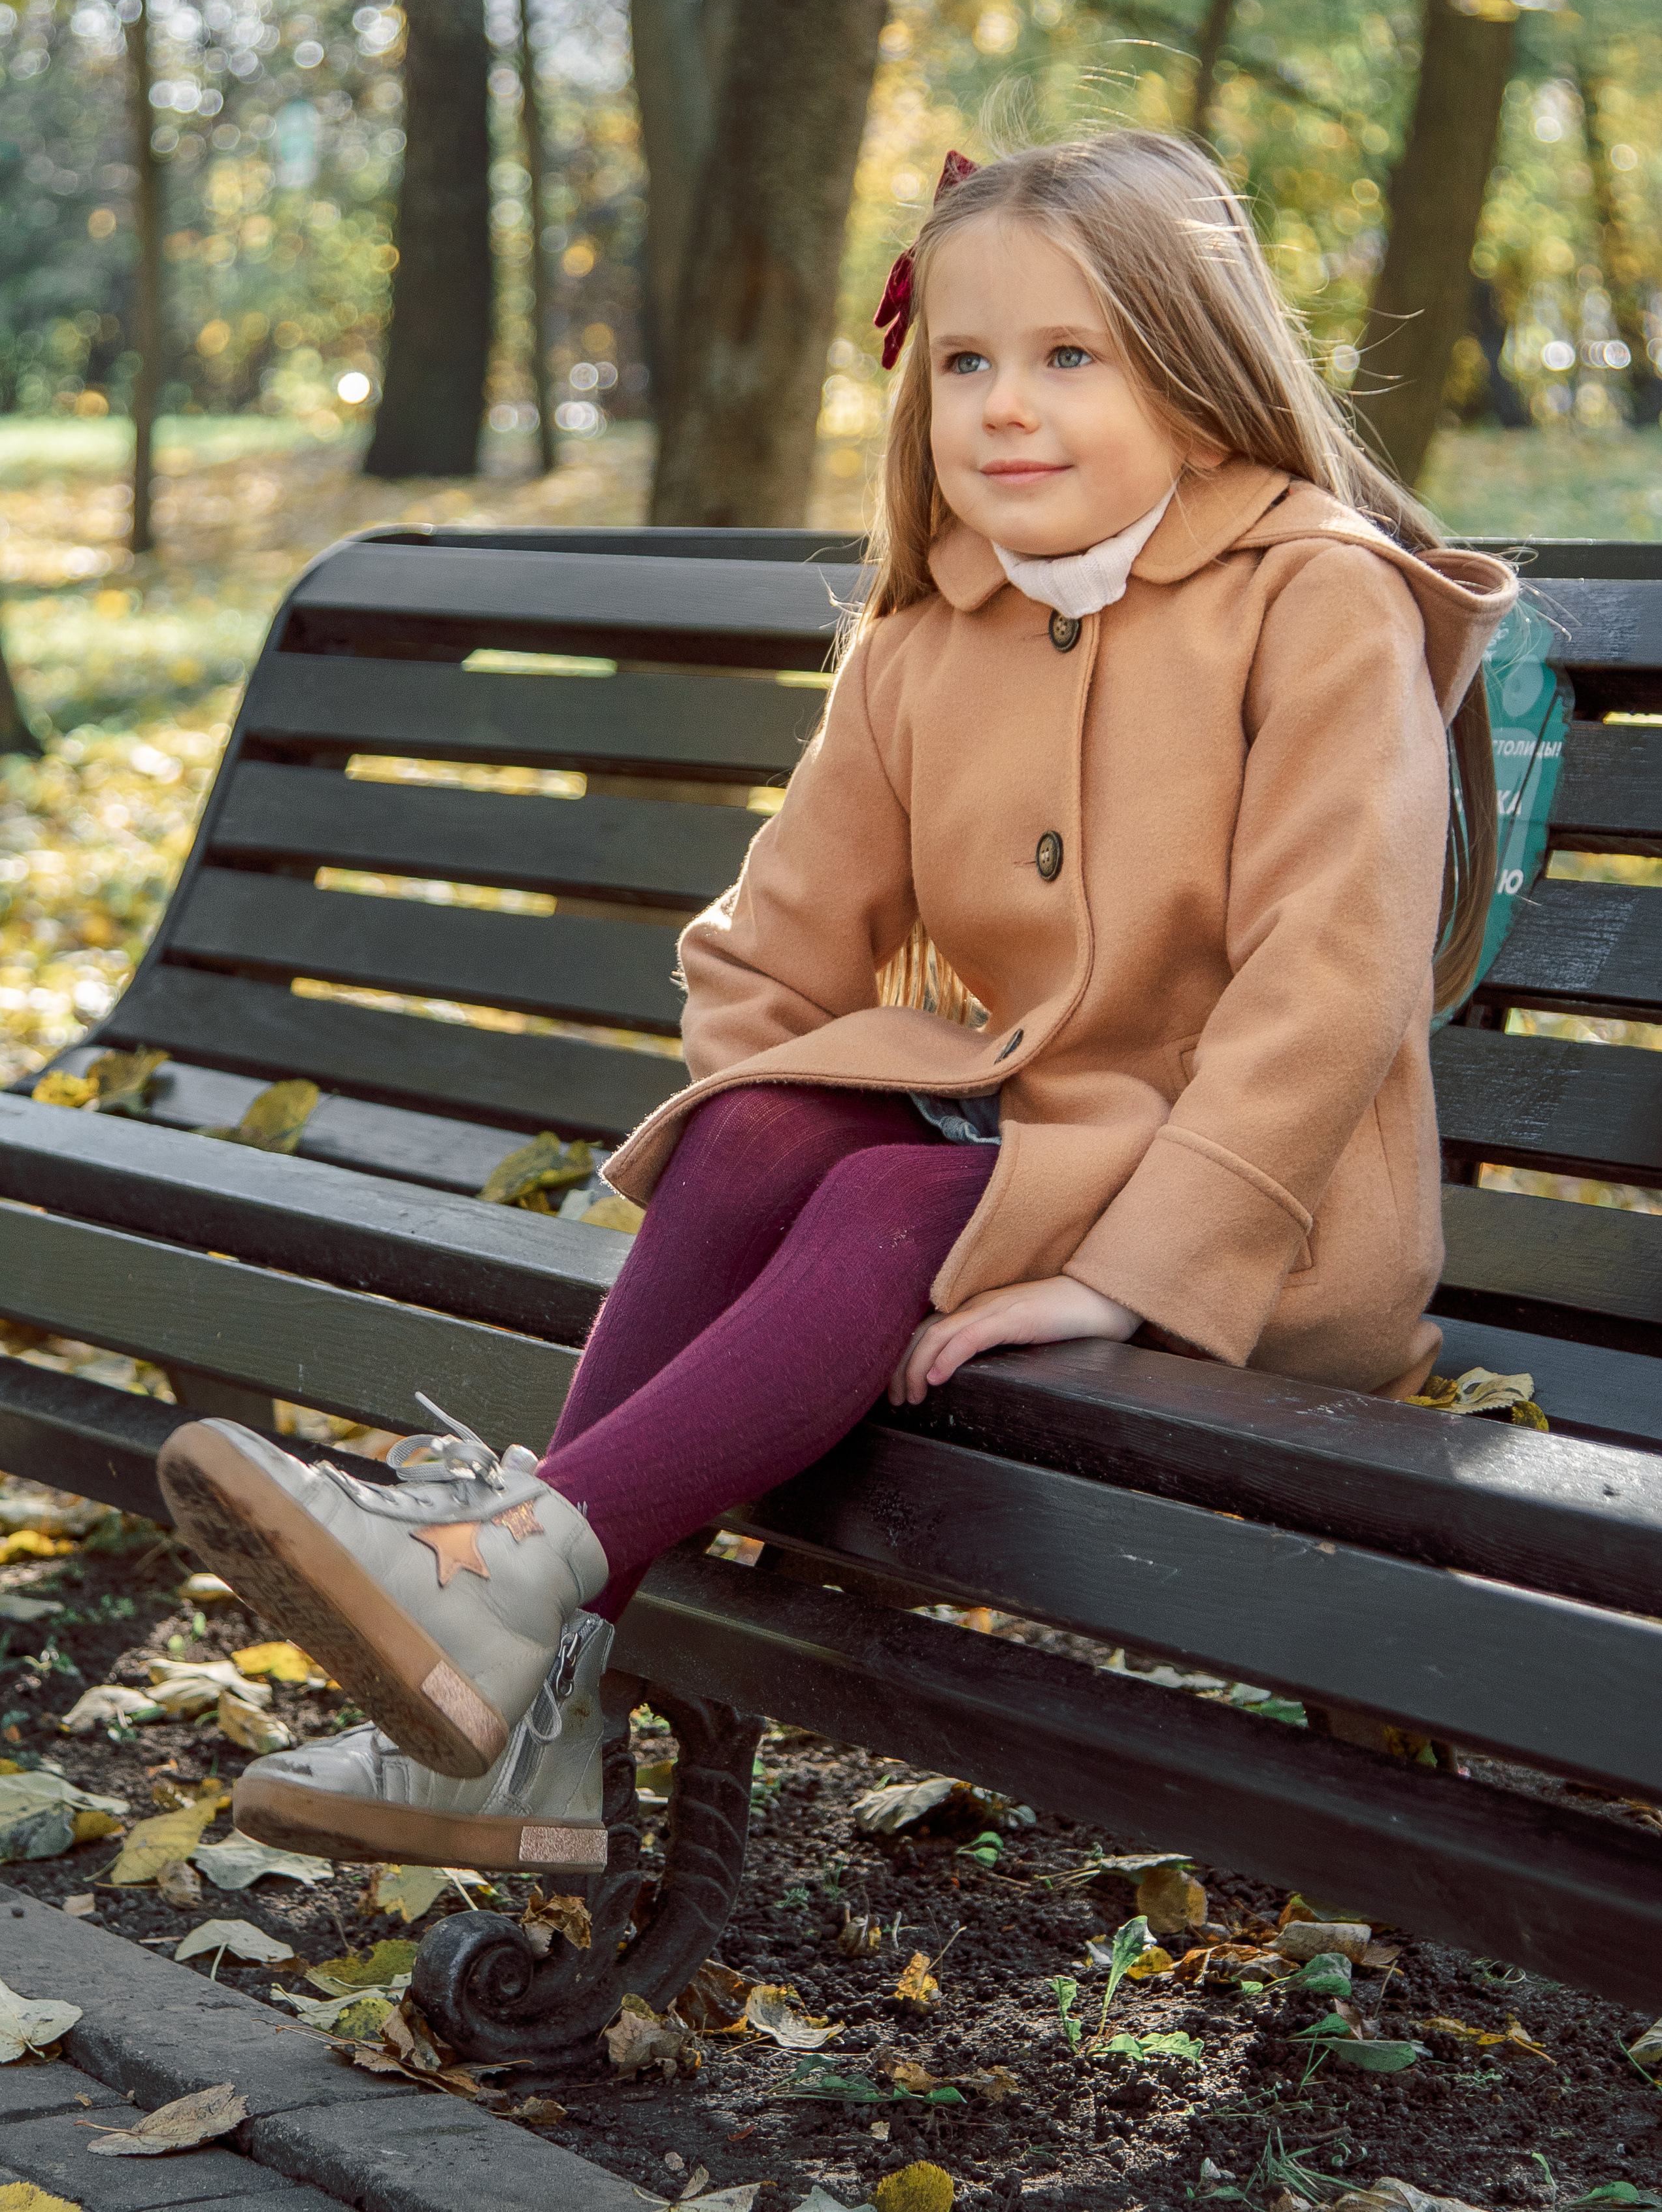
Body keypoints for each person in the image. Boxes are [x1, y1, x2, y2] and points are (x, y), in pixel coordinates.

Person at [156, 129, 1516, 1872]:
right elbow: (765, 953)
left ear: (1196, 383)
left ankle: (507, 1609)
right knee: (772, 1133)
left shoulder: (1317, 600)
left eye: (1069, 357)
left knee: (881, 1193)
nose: (1004, 408)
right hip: (1022, 1160)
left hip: (1273, 1221)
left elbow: (1333, 983)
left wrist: (1125, 1271)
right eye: (965, 362)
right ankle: (524, 1696)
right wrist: (758, 1171)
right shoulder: (931, 637)